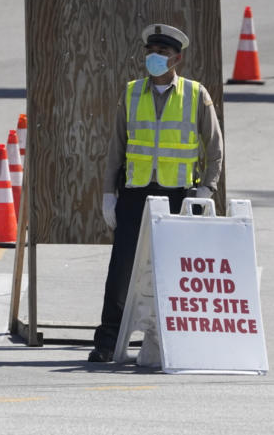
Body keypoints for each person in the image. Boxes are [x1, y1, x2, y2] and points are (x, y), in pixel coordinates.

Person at [89, 23, 224, 363]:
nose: (155, 58)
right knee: (121, 268)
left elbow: (214, 147)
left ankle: (174, 339)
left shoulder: (195, 94)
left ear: (176, 58)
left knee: (175, 269)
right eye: (151, 52)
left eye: (163, 54)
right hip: (136, 193)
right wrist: (109, 192)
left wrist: (206, 189)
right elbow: (116, 148)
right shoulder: (132, 92)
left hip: (178, 195)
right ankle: (107, 342)